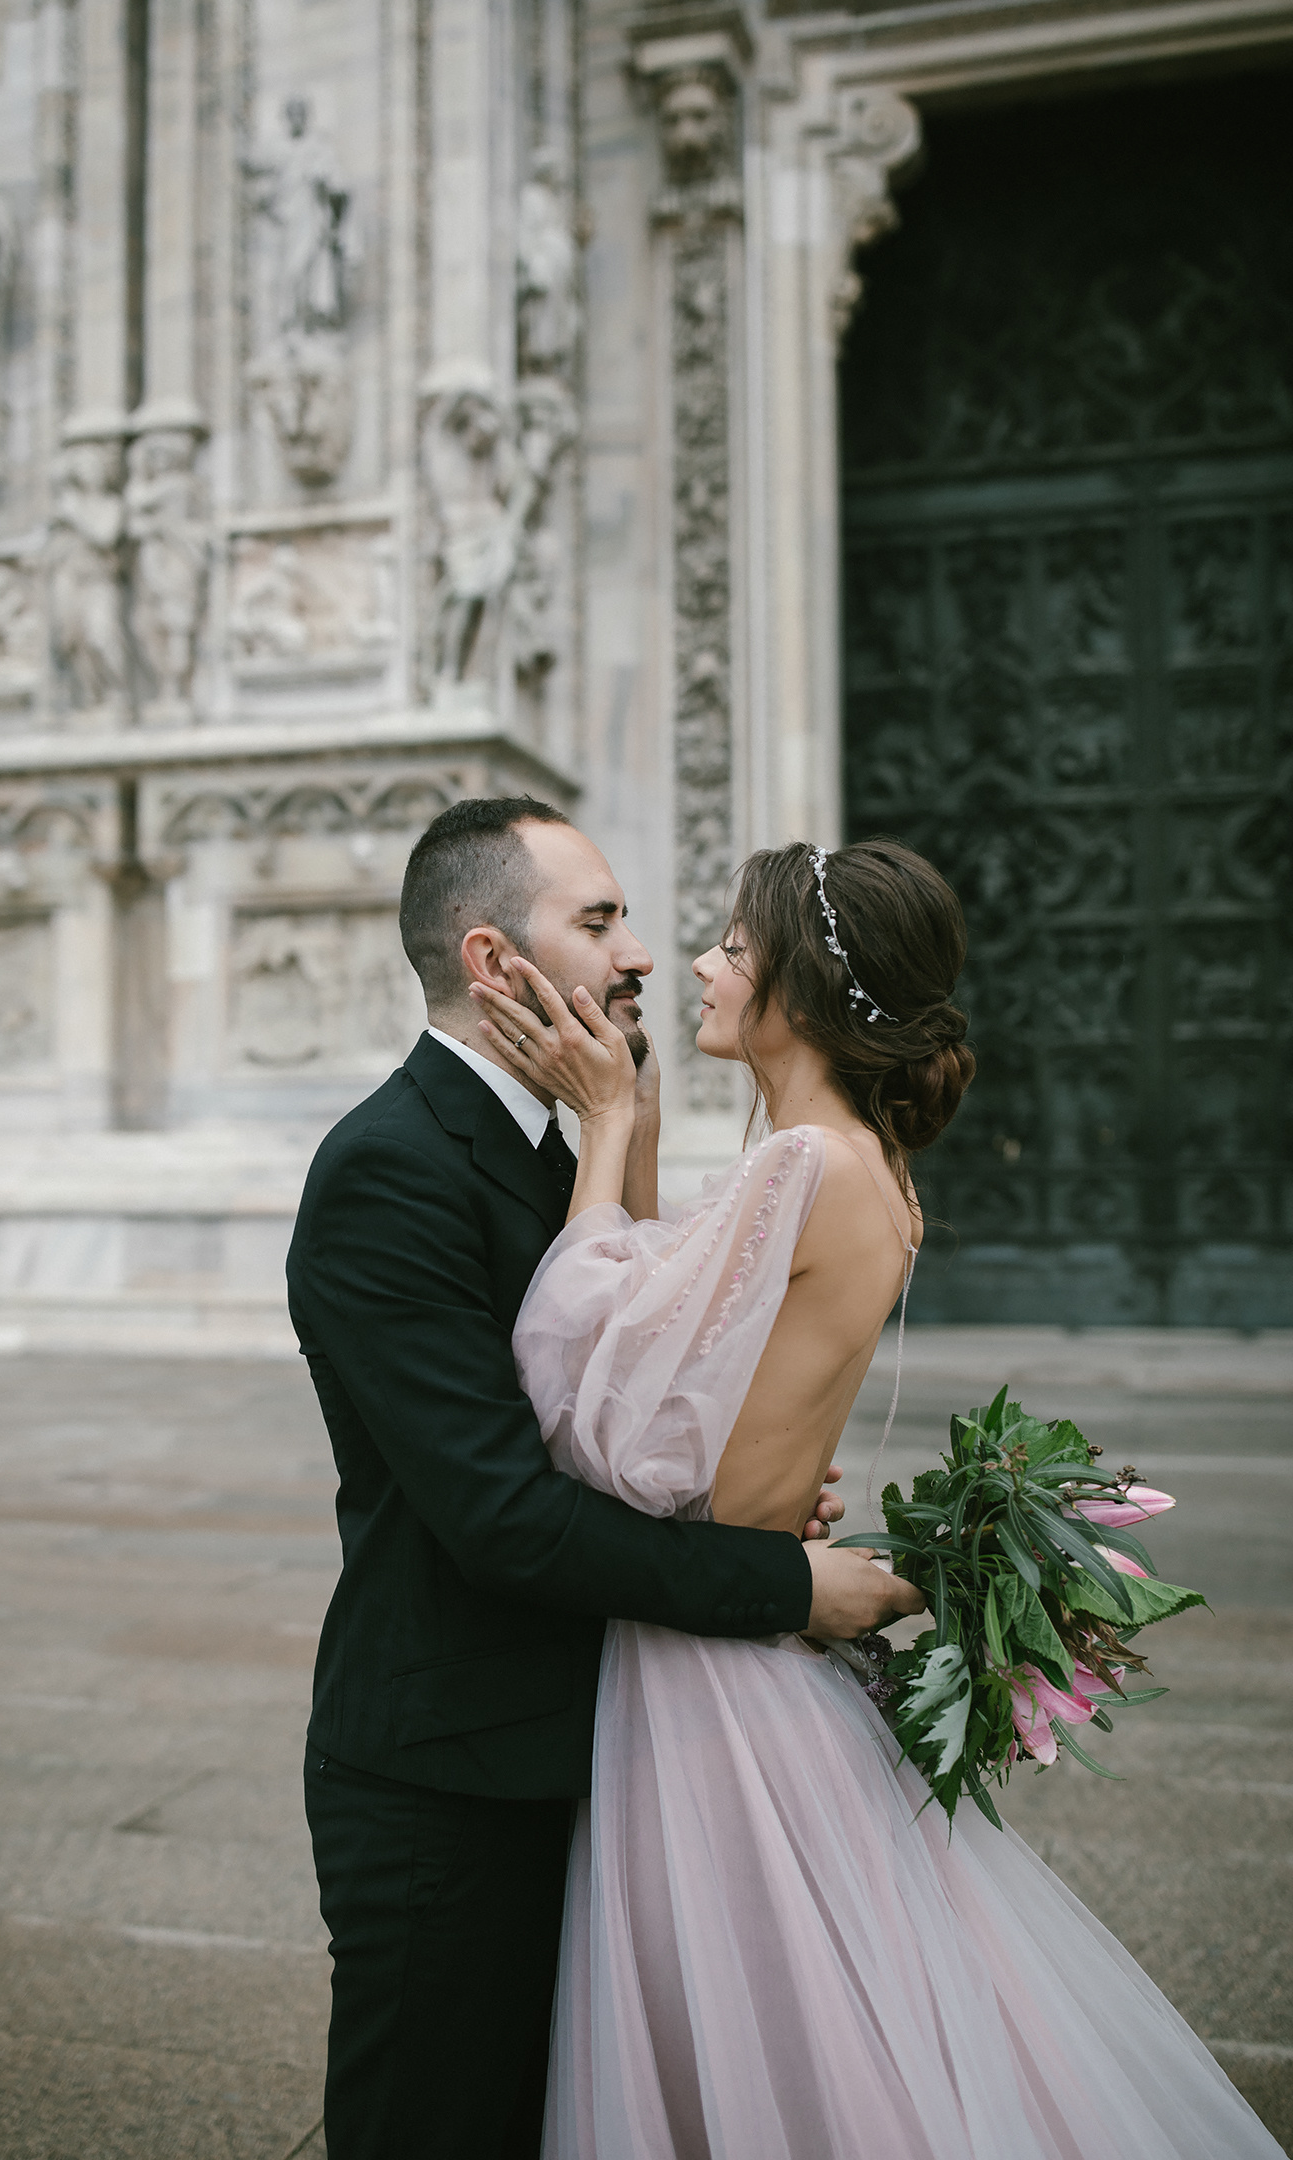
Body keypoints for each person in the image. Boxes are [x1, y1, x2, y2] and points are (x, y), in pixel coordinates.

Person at [472, 835, 1282, 2160]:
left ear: (802, 989)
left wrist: (610, 1127)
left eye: (734, 947)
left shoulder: (800, 1164)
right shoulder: (866, 1169)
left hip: (706, 1664)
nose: (698, 966)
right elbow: (715, 1375)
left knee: (760, 2042)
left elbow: (592, 1402)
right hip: (760, 1621)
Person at [286, 798, 919, 2160]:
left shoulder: (563, 1146)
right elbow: (506, 1520)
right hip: (454, 1776)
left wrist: (727, 1496)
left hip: (603, 1740)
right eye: (600, 922)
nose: (644, 952)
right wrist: (779, 1581)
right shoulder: (386, 1173)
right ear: (494, 961)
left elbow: (623, 1433)